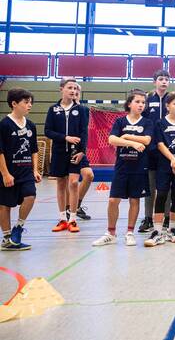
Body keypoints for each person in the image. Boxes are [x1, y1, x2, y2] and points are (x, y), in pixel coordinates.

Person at [93, 90, 153, 247]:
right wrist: (132, 143)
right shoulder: (120, 122)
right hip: (122, 166)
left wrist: (126, 137)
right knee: (113, 200)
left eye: (143, 102)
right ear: (129, 104)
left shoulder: (147, 122)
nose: (141, 105)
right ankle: (111, 233)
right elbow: (112, 139)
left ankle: (130, 232)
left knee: (135, 200)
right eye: (137, 101)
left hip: (139, 167)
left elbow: (146, 140)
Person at [145, 92, 175, 247]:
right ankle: (157, 231)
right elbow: (160, 144)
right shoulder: (159, 123)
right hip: (164, 165)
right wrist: (172, 159)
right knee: (162, 194)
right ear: (167, 106)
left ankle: (172, 229)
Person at [45, 77, 87, 233]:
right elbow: (48, 131)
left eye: (75, 88)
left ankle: (73, 219)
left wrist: (83, 150)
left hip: (76, 151)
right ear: (61, 89)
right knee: (61, 183)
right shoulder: (53, 109)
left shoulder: (81, 109)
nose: (73, 91)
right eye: (70, 87)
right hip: (59, 151)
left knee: (74, 182)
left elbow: (84, 131)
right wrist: (65, 137)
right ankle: (62, 218)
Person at [0, 88, 40, 251]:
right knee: (5, 205)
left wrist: (35, 170)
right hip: (9, 171)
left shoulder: (30, 125)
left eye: (31, 102)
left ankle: (18, 227)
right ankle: (8, 238)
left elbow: (34, 150)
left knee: (30, 196)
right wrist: (5, 173)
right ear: (14, 104)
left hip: (25, 171)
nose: (29, 105)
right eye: (26, 102)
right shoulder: (4, 125)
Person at [140, 69, 172, 234]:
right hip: (150, 150)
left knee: (166, 186)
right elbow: (142, 121)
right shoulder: (147, 100)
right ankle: (148, 218)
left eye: (166, 79)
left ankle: (166, 218)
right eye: (161, 79)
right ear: (155, 82)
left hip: (167, 149)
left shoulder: (172, 100)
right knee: (150, 186)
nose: (164, 81)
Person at [72, 84, 94, 221]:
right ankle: (66, 211)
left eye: (77, 92)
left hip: (79, 149)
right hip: (65, 149)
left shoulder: (84, 110)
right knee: (70, 181)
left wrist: (82, 150)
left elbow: (84, 131)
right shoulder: (59, 109)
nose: (74, 94)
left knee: (89, 175)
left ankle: (76, 206)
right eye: (72, 91)